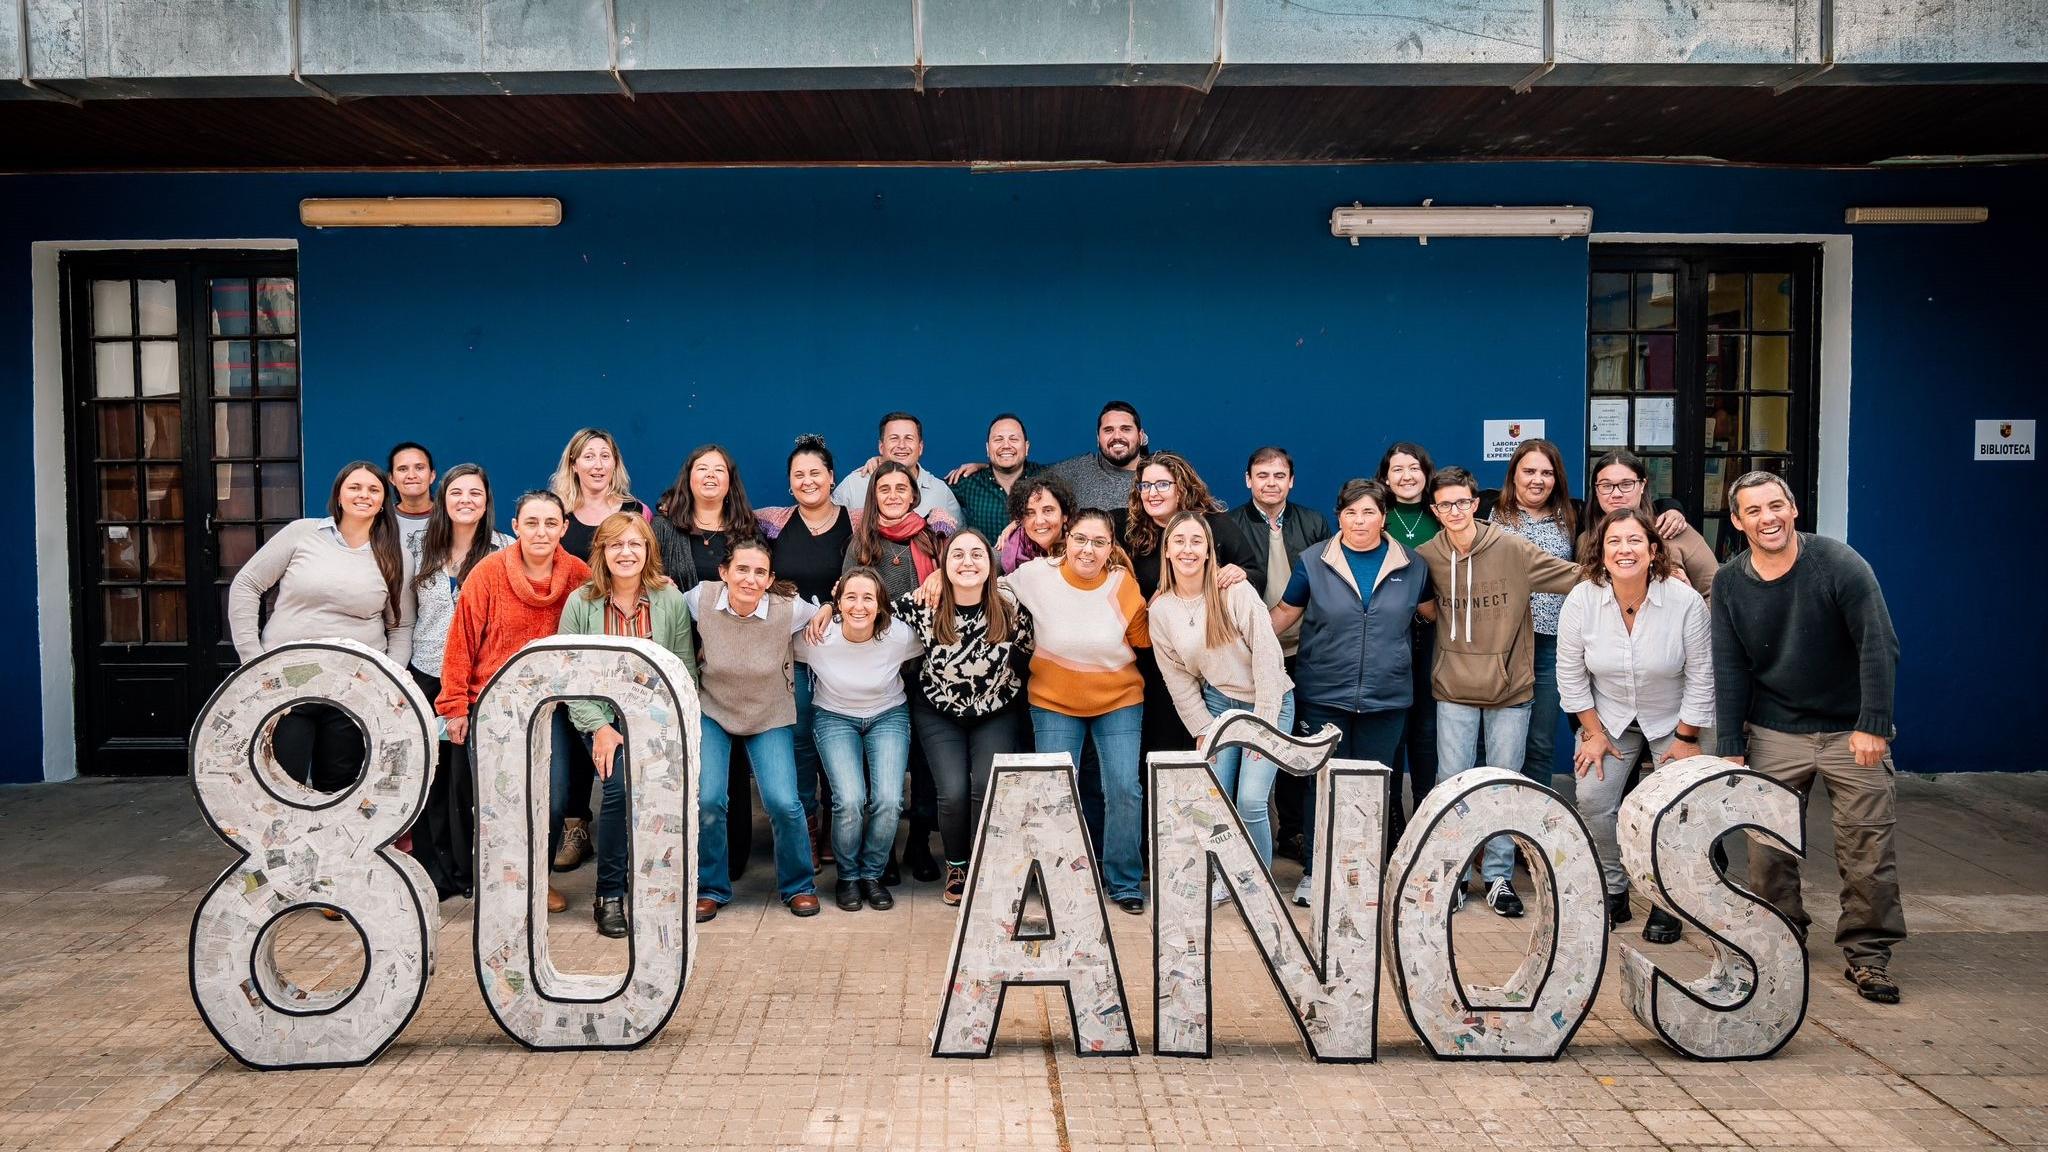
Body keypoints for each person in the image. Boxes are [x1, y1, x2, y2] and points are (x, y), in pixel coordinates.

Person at [1712, 471, 1905, 1004]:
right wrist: (1730, 742)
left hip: (1850, 731)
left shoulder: (1838, 564)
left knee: (1868, 845)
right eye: (1753, 511)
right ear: (1737, 521)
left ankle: (1868, 957)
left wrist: (1873, 724)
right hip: (1775, 729)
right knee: (1767, 849)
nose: (1767, 518)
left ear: (1794, 509)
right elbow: (1729, 667)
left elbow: (1879, 645)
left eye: (1776, 506)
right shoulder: (1729, 582)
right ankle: (1782, 934)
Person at [1415, 466, 1580, 919]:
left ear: (1475, 503)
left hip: (1510, 686)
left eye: (1463, 502)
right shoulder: (1425, 555)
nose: (1455, 510)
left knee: (1505, 784)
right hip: (1454, 685)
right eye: (1445, 504)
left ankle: (1499, 876)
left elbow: (1578, 578)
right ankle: (1453, 873)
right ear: (1434, 510)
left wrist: (1657, 571)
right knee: (1451, 784)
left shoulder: (1512, 548)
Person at [1268, 479, 1430, 905]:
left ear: (1384, 516)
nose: (1360, 521)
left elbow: (1436, 614)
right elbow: (1285, 613)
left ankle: (1365, 876)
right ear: (1339, 515)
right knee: (1319, 785)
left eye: (1370, 512)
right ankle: (1314, 872)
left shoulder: (1413, 565)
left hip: (1387, 695)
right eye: (1351, 512)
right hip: (1323, 693)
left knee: (1376, 788)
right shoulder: (1313, 560)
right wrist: (1237, 644)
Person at [1557, 506, 1712, 945]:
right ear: (1600, 552)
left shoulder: (1683, 602)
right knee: (1592, 797)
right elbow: (1570, 674)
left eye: (1634, 541)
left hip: (1676, 717)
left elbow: (1703, 675)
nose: (1625, 550)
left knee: (1677, 808)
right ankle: (1613, 887)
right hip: (1609, 716)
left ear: (1653, 549)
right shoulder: (1582, 599)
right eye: (1614, 542)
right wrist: (1592, 733)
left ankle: (1669, 900)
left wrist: (1686, 739)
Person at [434, 490, 590, 916]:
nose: (541, 531)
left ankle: (539, 880)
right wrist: (455, 706)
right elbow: (460, 642)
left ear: (564, 528)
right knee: (497, 799)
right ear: (516, 527)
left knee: (553, 796)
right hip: (493, 704)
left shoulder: (577, 575)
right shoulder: (487, 574)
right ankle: (501, 885)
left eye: (550, 523)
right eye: (532, 522)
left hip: (552, 707)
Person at [229, 461, 416, 794]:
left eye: (374, 490)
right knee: (280, 782)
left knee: (340, 786)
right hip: (285, 685)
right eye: (355, 487)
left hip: (352, 689)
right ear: (339, 495)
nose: (364, 495)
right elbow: (246, 585)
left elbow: (401, 628)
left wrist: (387, 678)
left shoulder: (396, 554)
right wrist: (252, 659)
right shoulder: (303, 533)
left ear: (383, 500)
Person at [556, 511, 699, 937]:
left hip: (655, 718)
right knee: (619, 786)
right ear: (601, 551)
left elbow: (683, 671)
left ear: (648, 550)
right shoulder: (581, 602)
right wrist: (600, 727)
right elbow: (567, 676)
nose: (626, 552)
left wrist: (657, 725)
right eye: (616, 544)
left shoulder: (669, 601)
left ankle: (662, 889)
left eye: (635, 544)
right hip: (597, 718)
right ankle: (610, 894)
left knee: (664, 789)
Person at [1004, 508, 1150, 913]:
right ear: (1066, 538)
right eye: (1081, 539)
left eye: (1099, 542)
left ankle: (1123, 881)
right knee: (1054, 792)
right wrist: (933, 580)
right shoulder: (1036, 575)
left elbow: (1144, 639)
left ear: (1111, 547)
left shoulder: (1123, 585)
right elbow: (989, 583)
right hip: (1053, 700)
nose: (1088, 549)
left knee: (1123, 787)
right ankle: (1060, 880)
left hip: (1118, 698)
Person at [683, 538, 822, 921]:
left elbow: (824, 613)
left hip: (769, 712)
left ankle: (799, 886)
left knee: (782, 801)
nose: (750, 578)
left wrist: (827, 608)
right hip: (714, 709)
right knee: (709, 799)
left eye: (760, 572)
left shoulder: (787, 609)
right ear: (724, 572)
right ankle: (710, 887)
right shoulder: (701, 599)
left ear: (770, 578)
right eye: (741, 569)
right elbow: (667, 614)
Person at [1149, 511, 1296, 871]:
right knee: (1214, 798)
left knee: (1249, 800)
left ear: (1209, 550)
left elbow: (1267, 654)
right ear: (1166, 551)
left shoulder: (1233, 590)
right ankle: (1222, 876)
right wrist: (1201, 727)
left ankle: (1257, 882)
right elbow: (1178, 679)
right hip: (1218, 707)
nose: (1188, 549)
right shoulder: (1162, 610)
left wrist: (1264, 724)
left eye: (1196, 541)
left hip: (1269, 701)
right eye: (1179, 541)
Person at [897, 530, 1034, 904]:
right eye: (957, 555)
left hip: (996, 709)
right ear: (943, 566)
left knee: (985, 784)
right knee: (954, 790)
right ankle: (958, 864)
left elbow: (1033, 646)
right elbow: (871, 609)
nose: (968, 562)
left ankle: (983, 865)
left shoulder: (1008, 606)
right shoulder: (925, 603)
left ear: (991, 565)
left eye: (977, 554)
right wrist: (830, 604)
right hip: (939, 710)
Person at [403, 463, 511, 901]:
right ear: (443, 499)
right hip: (428, 673)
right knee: (432, 777)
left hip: (480, 679)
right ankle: (438, 872)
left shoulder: (506, 549)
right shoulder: (417, 547)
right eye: (457, 493)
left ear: (487, 503)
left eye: (476, 494)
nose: (466, 500)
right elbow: (404, 614)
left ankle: (475, 870)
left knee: (470, 780)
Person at [842, 461, 949, 881]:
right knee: (879, 766)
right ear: (873, 496)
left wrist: (941, 572)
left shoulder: (932, 537)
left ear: (913, 494)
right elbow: (850, 596)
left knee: (923, 759)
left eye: (899, 488)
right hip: (877, 666)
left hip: (926, 665)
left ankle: (919, 843)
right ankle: (881, 850)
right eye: (883, 489)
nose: (891, 495)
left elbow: (959, 581)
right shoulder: (861, 542)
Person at [549, 428, 649, 870]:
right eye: (586, 456)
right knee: (574, 734)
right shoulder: (560, 515)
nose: (596, 463)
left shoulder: (635, 511)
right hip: (571, 629)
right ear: (574, 464)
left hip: (625, 633)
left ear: (615, 463)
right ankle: (576, 825)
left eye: (604, 455)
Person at [797, 568, 923, 912]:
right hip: (834, 715)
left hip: (887, 715)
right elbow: (773, 642)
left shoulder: (899, 635)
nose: (859, 606)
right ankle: (849, 877)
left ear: (881, 605)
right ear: (837, 602)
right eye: (850, 597)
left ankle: (872, 875)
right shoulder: (818, 635)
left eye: (868, 597)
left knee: (888, 799)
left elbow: (938, 637)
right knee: (850, 799)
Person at [1119, 452, 1260, 760]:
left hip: (1209, 664)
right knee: (1161, 748)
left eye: (1161, 484)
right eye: (1145, 486)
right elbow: (1083, 532)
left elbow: (1255, 573)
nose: (1152, 493)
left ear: (1181, 487)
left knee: (1207, 754)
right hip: (1154, 661)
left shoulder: (1214, 527)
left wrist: (1240, 572)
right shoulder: (1128, 529)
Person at [762, 434, 857, 865]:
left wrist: (835, 605)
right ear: (788, 483)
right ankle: (808, 827)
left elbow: (906, 525)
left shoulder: (857, 519)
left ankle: (843, 825)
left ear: (831, 477)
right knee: (800, 738)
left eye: (815, 473)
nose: (807, 480)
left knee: (839, 736)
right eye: (798, 475)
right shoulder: (773, 522)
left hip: (846, 652)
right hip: (794, 653)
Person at [1489, 439, 1578, 789]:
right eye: (1529, 471)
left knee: (1539, 742)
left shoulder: (1574, 514)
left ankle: (1532, 827)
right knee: (1494, 745)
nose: (1537, 479)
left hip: (1549, 645)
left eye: (1546, 472)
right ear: (1514, 474)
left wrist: (1672, 505)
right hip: (1501, 644)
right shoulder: (1486, 509)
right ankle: (1493, 825)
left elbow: (1623, 510)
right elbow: (1442, 497)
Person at [1375, 441, 1442, 862]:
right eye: (1397, 469)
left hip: (1440, 636)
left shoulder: (1444, 513)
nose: (1406, 476)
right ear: (1385, 477)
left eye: (1413, 468)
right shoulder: (1377, 519)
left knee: (1428, 733)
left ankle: (1429, 828)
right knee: (1393, 731)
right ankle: (1395, 830)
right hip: (1391, 636)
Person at [1227, 446, 1329, 659]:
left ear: (1291, 481)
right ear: (1248, 480)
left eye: (1279, 476)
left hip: (1309, 646)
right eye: (1262, 475)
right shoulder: (1229, 526)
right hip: (1250, 647)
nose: (1271, 483)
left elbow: (1330, 585)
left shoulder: (1314, 522)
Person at [1585, 450, 1718, 600]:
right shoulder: (1585, 539)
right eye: (1606, 485)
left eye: (1626, 484)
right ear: (1596, 490)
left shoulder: (1672, 529)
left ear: (1642, 485)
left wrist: (1690, 602)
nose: (1616, 493)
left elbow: (1716, 595)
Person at [653, 444, 757, 588]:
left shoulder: (748, 529)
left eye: (719, 470)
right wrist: (654, 581)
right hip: (676, 611)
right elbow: (643, 575)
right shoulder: (663, 526)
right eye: (702, 468)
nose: (710, 474)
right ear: (688, 478)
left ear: (730, 482)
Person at [832, 411, 963, 526]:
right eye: (894, 438)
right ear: (881, 447)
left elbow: (958, 543)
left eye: (909, 438)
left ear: (921, 447)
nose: (901, 445)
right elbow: (827, 526)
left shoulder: (941, 492)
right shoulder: (854, 485)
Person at [949, 413, 1044, 541]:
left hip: (1036, 560)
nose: (1006, 445)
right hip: (985, 560)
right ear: (988, 448)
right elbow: (924, 490)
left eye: (1014, 439)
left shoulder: (1045, 478)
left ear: (1026, 447)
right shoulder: (968, 482)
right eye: (998, 439)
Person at [1045, 400, 1150, 509]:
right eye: (1108, 430)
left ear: (1141, 436)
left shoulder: (1158, 476)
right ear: (1098, 438)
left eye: (1126, 429)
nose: (1117, 436)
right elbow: (1031, 479)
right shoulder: (1078, 470)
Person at [998, 473, 1076, 574]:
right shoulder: (1010, 549)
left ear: (1065, 515)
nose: (1039, 521)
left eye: (1048, 510)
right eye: (1030, 513)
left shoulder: (1082, 547)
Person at [388, 441, 436, 551]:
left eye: (419, 468)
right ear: (392, 478)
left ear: (432, 476)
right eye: (403, 469)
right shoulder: (381, 519)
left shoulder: (450, 516)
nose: (411, 475)